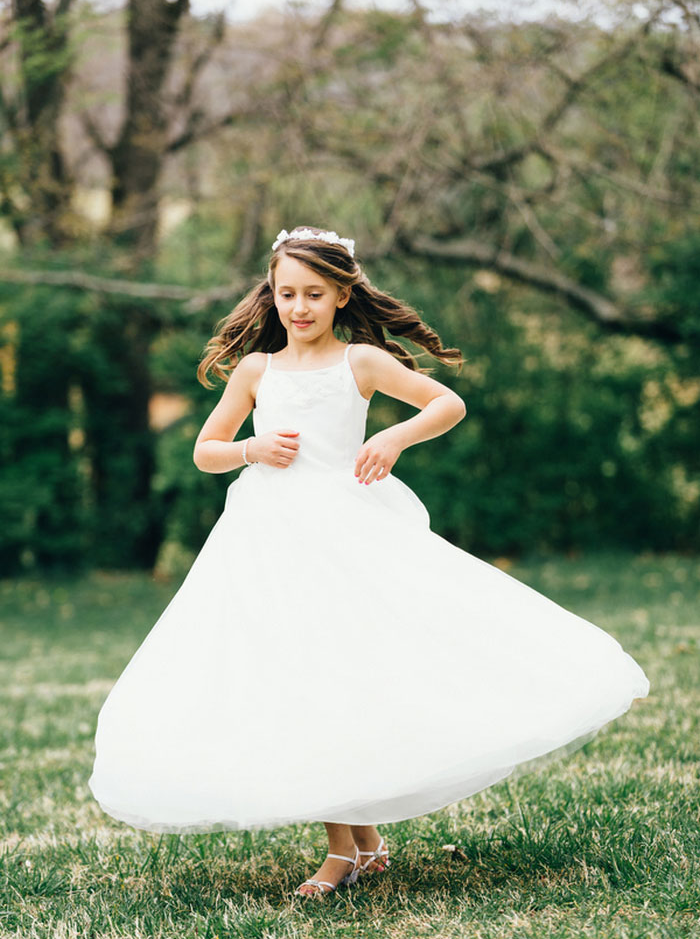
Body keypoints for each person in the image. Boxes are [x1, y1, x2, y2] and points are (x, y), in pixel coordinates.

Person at [88, 225, 650, 900]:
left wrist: (395, 435)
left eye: (315, 294)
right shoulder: (257, 370)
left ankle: (346, 852)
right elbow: (206, 448)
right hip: (268, 543)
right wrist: (251, 450)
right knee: (299, 679)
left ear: (342, 295)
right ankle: (358, 845)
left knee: (337, 675)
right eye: (287, 292)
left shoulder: (359, 362)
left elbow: (447, 402)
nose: (299, 307)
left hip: (345, 535)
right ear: (270, 293)